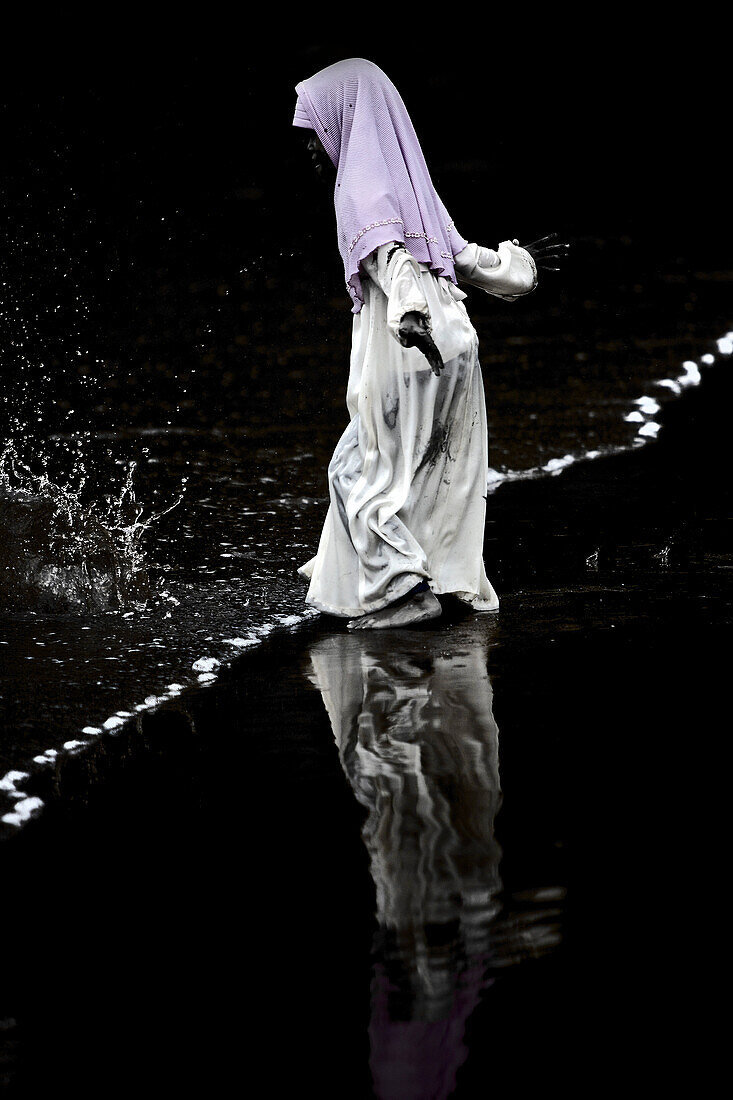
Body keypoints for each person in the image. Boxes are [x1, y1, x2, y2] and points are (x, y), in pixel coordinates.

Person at [293, 58, 566, 630]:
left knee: (360, 475)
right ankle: (398, 574)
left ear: (345, 122)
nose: (312, 150)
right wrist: (522, 269)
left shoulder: (358, 193)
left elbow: (390, 259)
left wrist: (409, 316)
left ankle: (400, 593)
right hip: (455, 349)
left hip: (408, 352)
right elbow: (464, 257)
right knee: (424, 467)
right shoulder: (408, 185)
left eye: (315, 133)